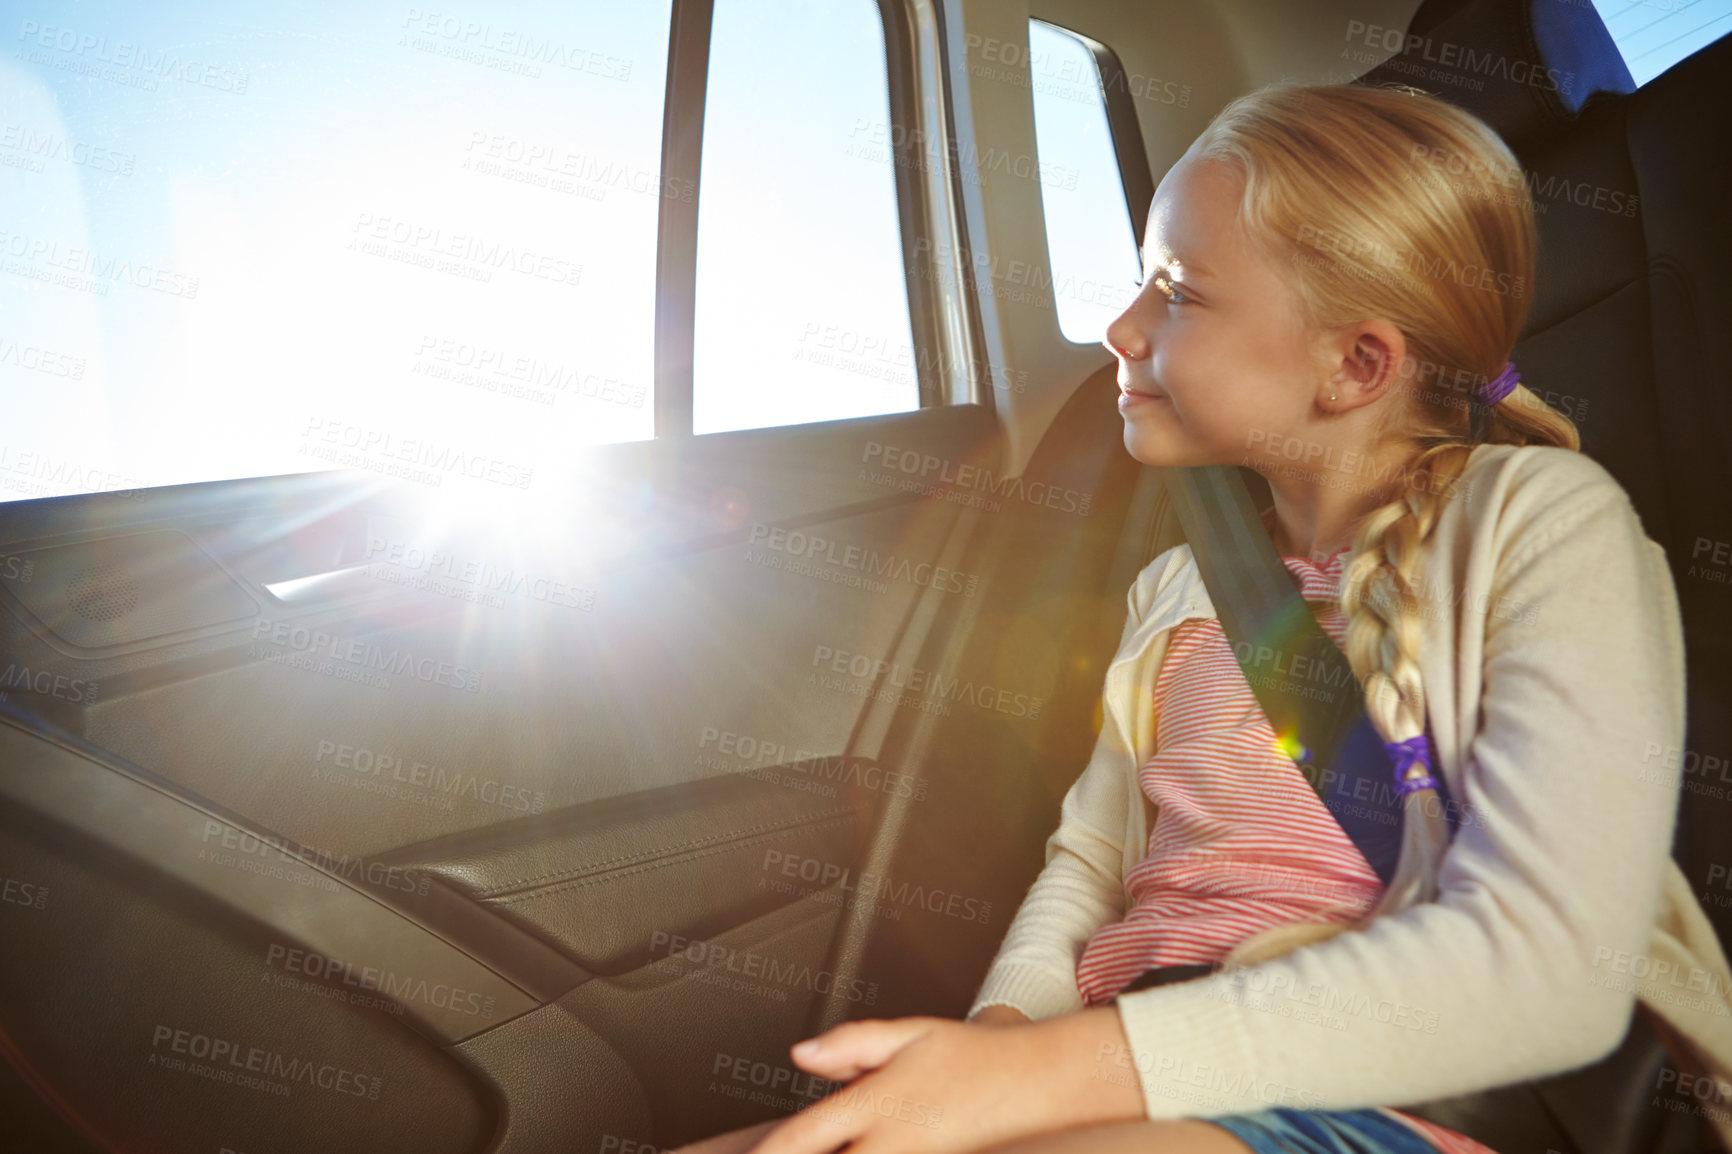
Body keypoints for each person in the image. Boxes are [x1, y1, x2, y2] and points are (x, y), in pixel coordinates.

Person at [669, 82, 1732, 1154]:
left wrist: (1048, 1072)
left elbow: (1546, 966)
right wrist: (999, 1037)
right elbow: (1089, 859)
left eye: (1175, 292)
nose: (1118, 326)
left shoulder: (1539, 524)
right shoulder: (1177, 585)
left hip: (1387, 1105)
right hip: (1127, 1070)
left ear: (1355, 363)